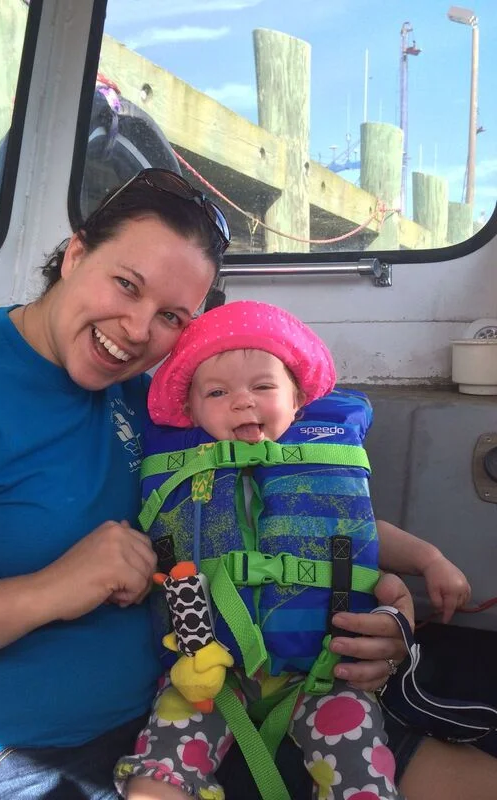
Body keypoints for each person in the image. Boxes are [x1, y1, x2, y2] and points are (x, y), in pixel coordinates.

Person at [0, 168, 494, 800]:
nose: (134, 330)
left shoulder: (163, 405)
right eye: (125, 284)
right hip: (24, 753)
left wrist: (371, 611)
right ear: (75, 255)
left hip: (223, 690)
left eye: (171, 318)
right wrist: (50, 590)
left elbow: (285, 515)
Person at [114, 301, 471, 800]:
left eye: (263, 387)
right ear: (191, 410)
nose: (243, 402)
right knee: (156, 775)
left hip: (324, 674)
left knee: (362, 772)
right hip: (207, 672)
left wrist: (430, 560)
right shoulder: (182, 476)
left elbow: (367, 532)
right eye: (217, 392)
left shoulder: (317, 468)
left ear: (299, 400)